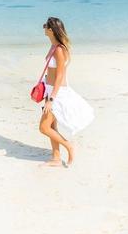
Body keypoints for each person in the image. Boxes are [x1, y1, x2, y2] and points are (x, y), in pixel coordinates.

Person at [39, 16, 94, 167]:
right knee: (51, 127)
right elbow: (51, 71)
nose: (43, 28)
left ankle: (69, 146)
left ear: (51, 30)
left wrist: (51, 99)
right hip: (49, 90)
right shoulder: (53, 46)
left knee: (43, 127)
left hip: (57, 93)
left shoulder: (59, 50)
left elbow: (60, 75)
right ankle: (56, 159)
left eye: (45, 26)